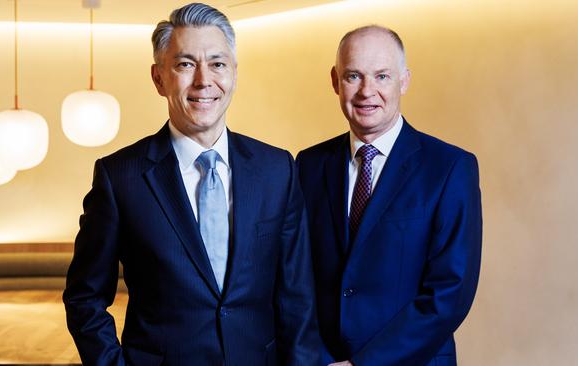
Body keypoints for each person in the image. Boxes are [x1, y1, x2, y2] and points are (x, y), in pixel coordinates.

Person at [63, 3, 319, 365]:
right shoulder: (120, 177)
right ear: (159, 78)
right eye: (185, 64)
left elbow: (297, 298)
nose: (203, 81)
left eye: (217, 64)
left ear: (233, 73)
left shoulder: (278, 169)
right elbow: (84, 298)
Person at [296, 25, 482, 366]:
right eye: (354, 76)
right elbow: (296, 279)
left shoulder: (449, 168)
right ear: (335, 81)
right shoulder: (308, 165)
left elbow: (449, 293)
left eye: (382, 76)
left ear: (404, 81)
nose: (367, 91)